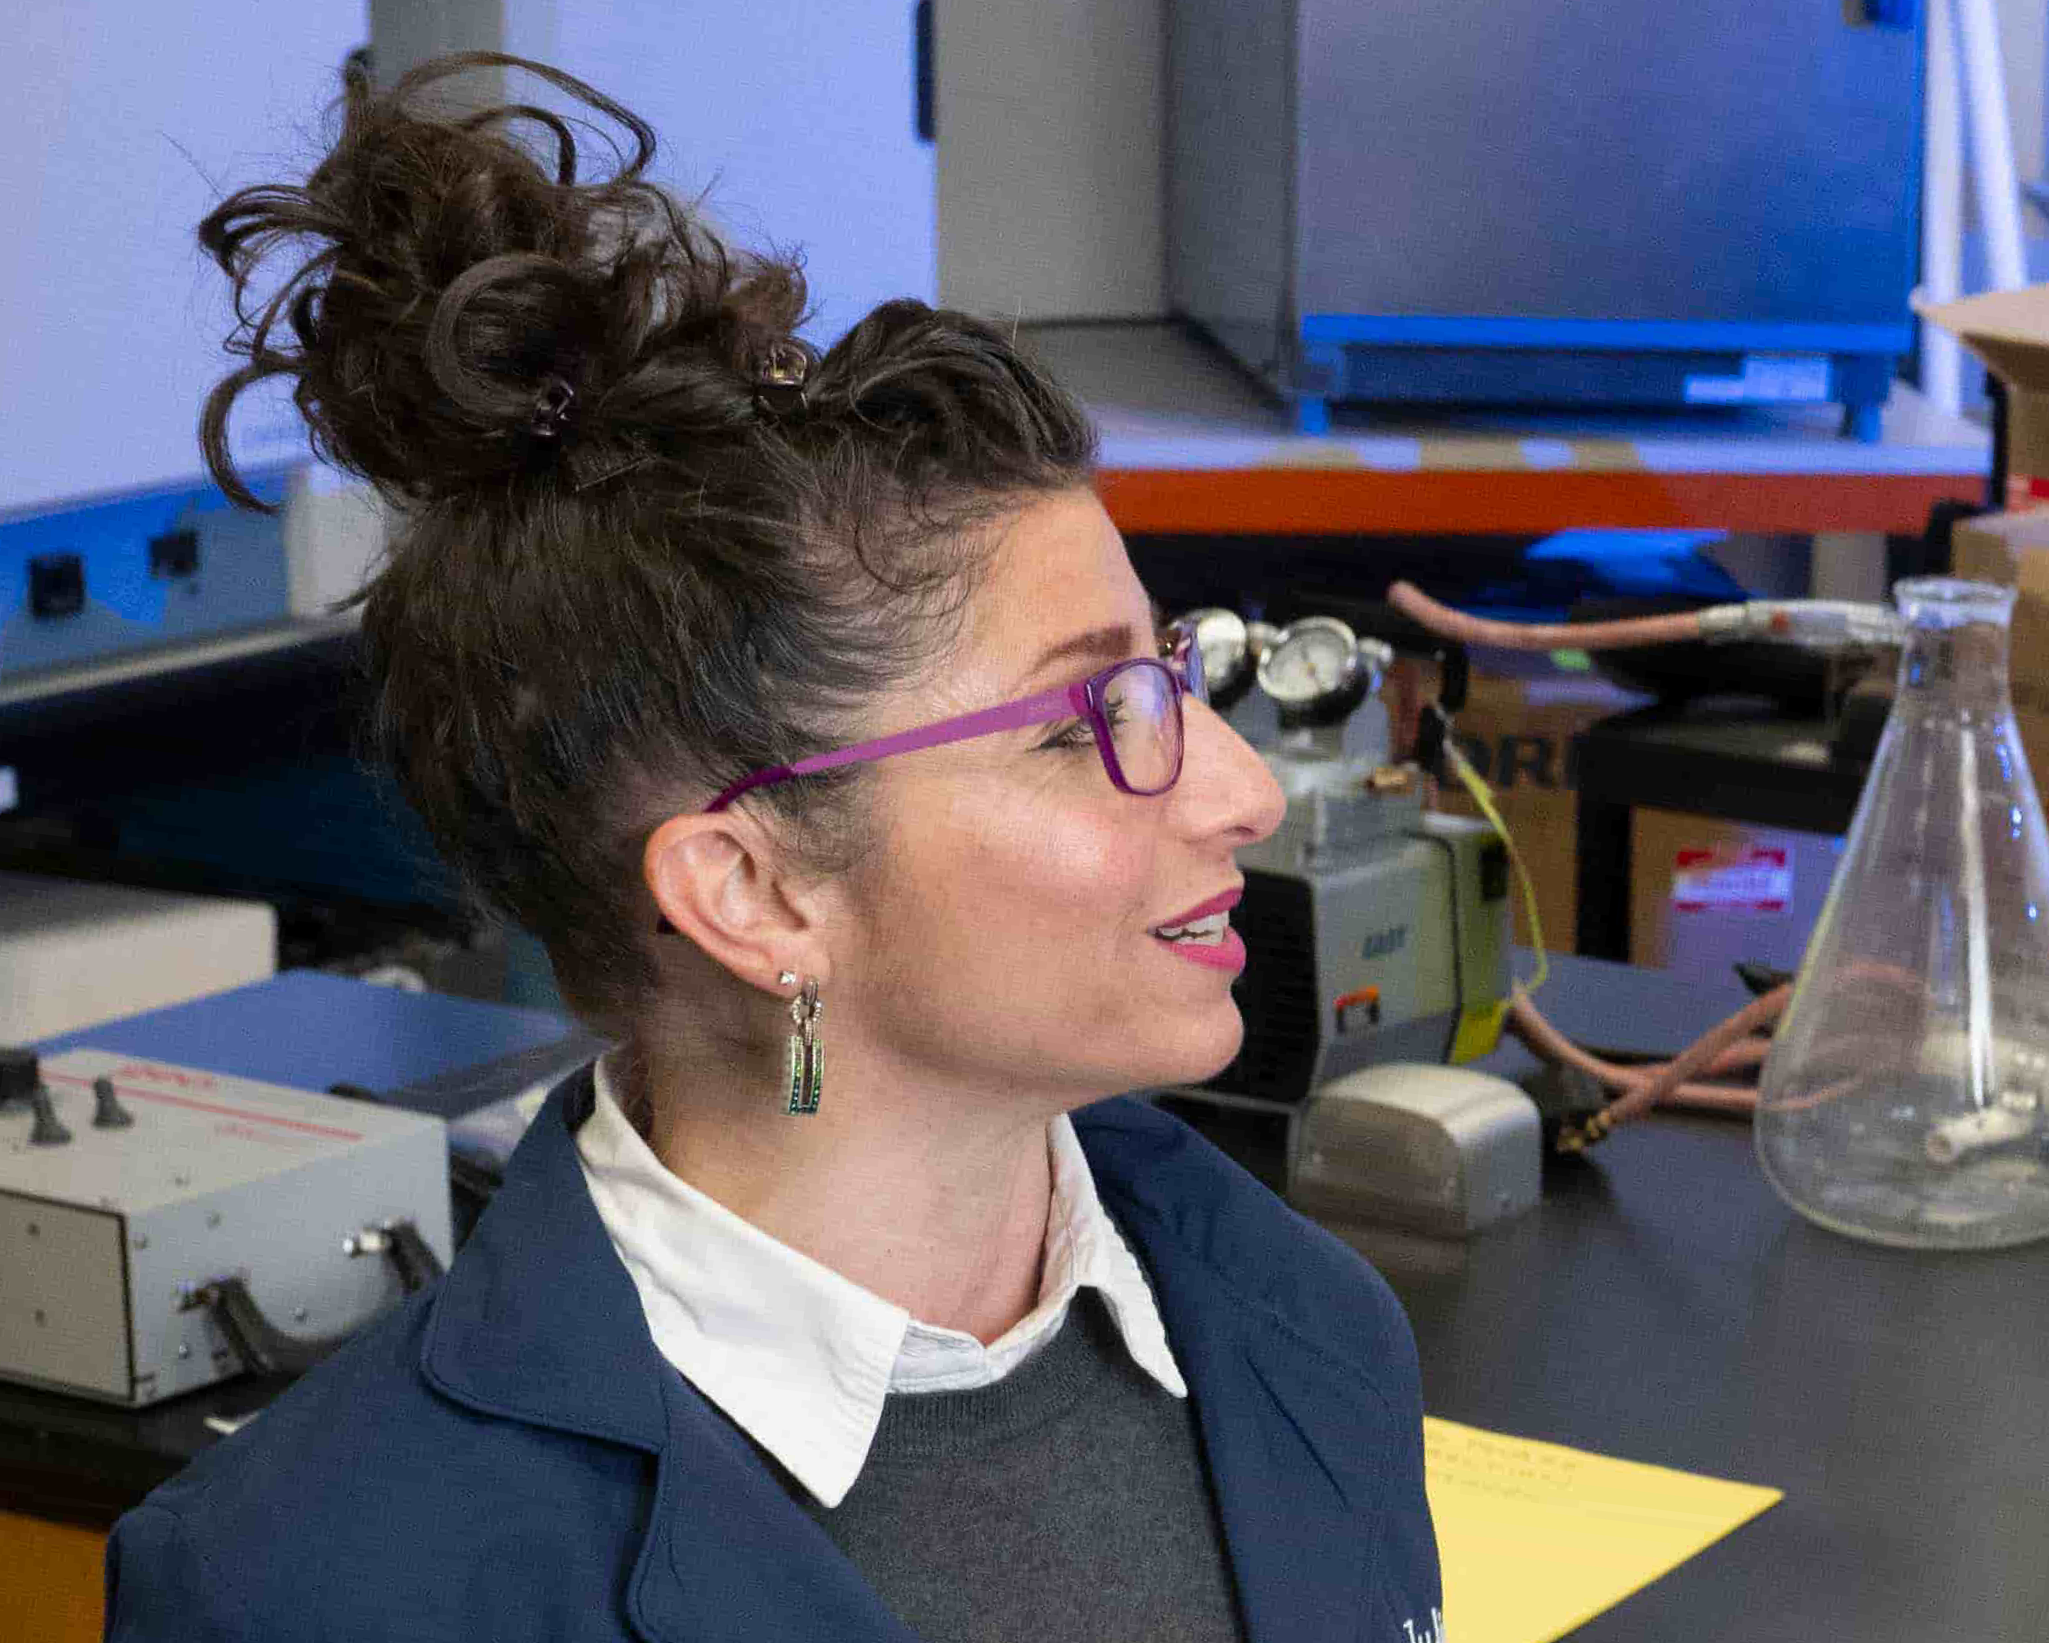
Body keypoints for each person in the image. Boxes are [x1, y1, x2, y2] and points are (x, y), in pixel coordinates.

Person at [109, 57, 1441, 1643]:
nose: (1239, 790)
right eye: (1095, 716)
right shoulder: (325, 1587)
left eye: (1174, 671)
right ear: (754, 892)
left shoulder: (1303, 1324)